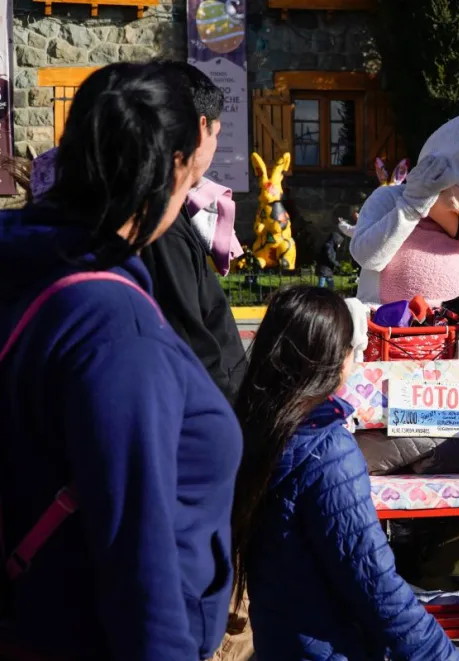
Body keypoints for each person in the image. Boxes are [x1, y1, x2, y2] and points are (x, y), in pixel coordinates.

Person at [0, 62, 241, 660]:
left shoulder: (26, 264)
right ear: (177, 166)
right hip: (87, 635)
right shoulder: (116, 329)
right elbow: (138, 557)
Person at [232, 286, 459, 661]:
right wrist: (441, 655)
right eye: (352, 349)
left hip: (280, 642)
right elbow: (374, 583)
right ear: (331, 358)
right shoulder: (328, 450)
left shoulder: (256, 430)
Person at [140, 61, 246, 404]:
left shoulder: (162, 210)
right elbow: (188, 342)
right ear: (202, 128)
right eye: (217, 133)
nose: (216, 144)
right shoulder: (160, 225)